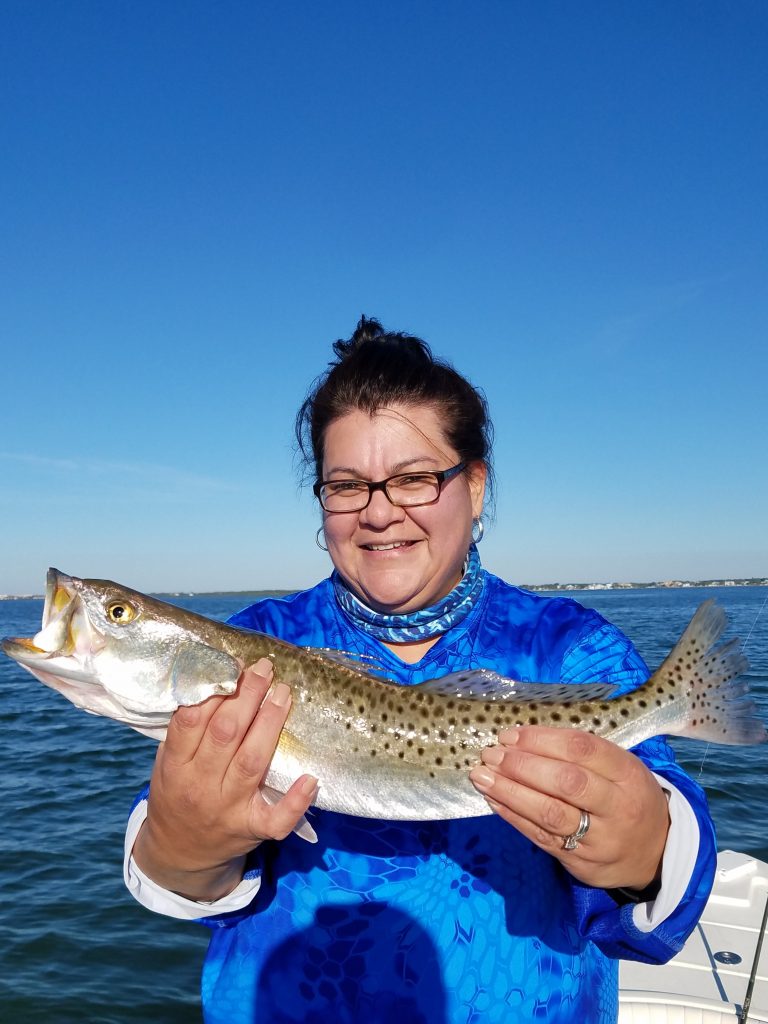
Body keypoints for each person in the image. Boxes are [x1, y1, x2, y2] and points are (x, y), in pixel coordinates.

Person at [125, 317, 716, 1024]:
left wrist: (647, 847)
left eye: (413, 480)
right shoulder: (254, 646)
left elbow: (668, 888)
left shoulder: (571, 647)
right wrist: (183, 847)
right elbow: (176, 879)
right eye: (346, 486)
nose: (378, 513)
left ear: (474, 485)